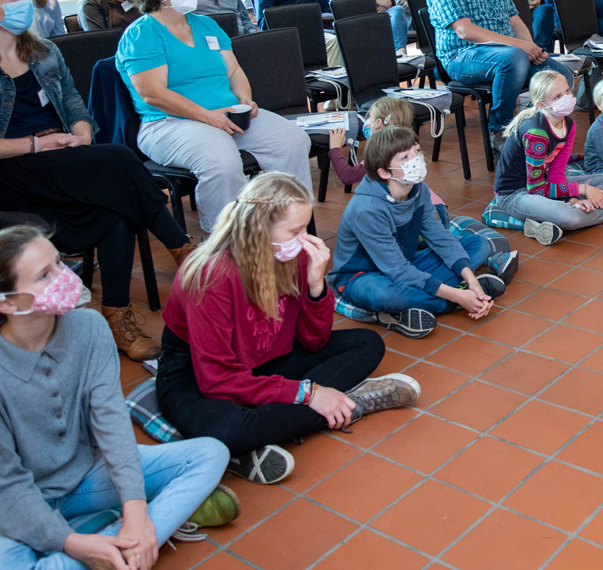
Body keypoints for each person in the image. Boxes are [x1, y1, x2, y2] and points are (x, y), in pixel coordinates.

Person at [156, 172, 420, 485]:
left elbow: (313, 341)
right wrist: (308, 393)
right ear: (259, 227)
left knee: (368, 343)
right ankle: (349, 403)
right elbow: (218, 380)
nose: (305, 239)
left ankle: (300, 417)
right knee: (228, 430)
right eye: (295, 231)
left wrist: (316, 286)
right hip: (198, 374)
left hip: (264, 358)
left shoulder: (290, 256)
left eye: (305, 228)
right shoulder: (211, 275)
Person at [0, 225, 238, 570]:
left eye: (60, 263)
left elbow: (112, 424)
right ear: (7, 302)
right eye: (43, 275)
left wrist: (137, 512)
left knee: (210, 454)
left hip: (86, 478)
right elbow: (8, 485)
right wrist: (75, 545)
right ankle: (138, 539)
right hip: (15, 503)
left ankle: (127, 544)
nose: (64, 277)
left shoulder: (90, 327)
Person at [0, 0, 194, 361]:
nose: (22, 5)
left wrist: (82, 130)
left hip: (60, 161)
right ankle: (183, 250)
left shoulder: (43, 50)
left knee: (116, 208)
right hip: (12, 167)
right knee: (120, 160)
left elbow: (71, 99)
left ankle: (117, 314)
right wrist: (36, 146)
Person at [117, 0, 314, 234]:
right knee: (222, 162)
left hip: (228, 115)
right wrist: (208, 117)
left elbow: (234, 72)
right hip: (168, 124)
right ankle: (226, 242)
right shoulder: (143, 34)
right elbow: (153, 94)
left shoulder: (206, 25)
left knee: (292, 140)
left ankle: (286, 226)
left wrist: (245, 99)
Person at [330, 125, 506, 338]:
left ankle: (451, 293)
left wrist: (472, 279)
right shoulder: (367, 209)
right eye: (405, 157)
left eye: (417, 151)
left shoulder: (418, 188)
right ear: (385, 172)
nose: (416, 159)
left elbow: (439, 237)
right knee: (384, 295)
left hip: (406, 261)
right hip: (363, 276)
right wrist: (457, 297)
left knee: (479, 244)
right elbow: (396, 269)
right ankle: (455, 299)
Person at [426, 0, 571, 156]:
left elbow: (514, 20)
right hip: (463, 55)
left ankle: (537, 130)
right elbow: (465, 31)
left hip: (506, 52)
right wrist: (520, 46)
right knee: (513, 58)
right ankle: (501, 131)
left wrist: (531, 47)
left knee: (559, 75)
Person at [492, 70, 603, 247]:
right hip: (517, 193)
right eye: (557, 97)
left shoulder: (569, 125)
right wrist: (582, 191)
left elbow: (556, 174)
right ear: (541, 104)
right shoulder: (536, 133)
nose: (566, 98)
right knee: (570, 218)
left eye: (567, 92)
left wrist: (572, 199)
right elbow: (536, 189)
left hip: (546, 184)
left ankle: (565, 213)